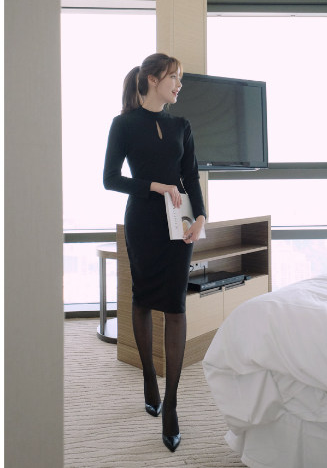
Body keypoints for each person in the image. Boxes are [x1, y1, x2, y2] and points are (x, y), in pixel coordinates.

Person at [103, 53, 206, 453]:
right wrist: (154, 187)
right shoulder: (124, 124)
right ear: (151, 79)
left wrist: (200, 216)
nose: (179, 84)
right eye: (173, 77)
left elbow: (190, 175)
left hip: (179, 226)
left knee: (176, 306)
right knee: (144, 299)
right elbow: (110, 179)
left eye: (180, 78)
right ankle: (149, 375)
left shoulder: (182, 125)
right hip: (144, 223)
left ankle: (172, 404)